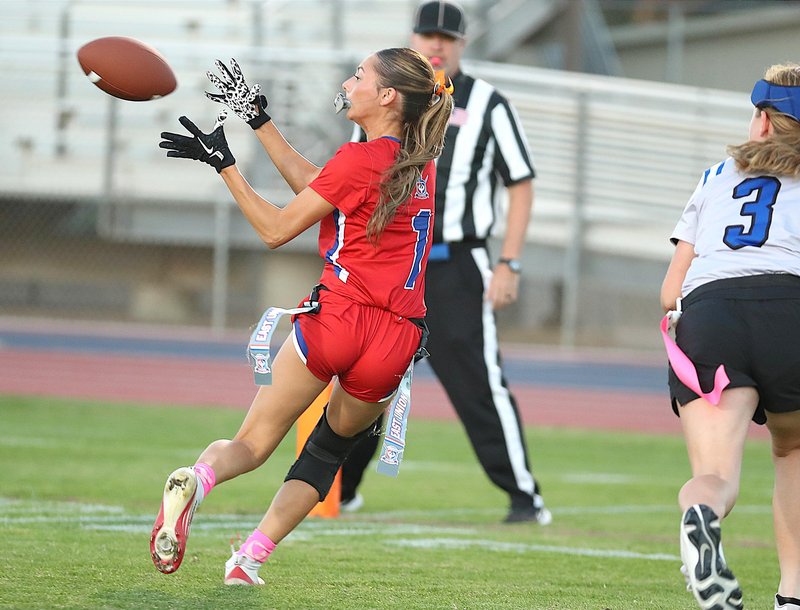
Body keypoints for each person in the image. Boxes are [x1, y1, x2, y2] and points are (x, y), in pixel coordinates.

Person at [149, 48, 453, 585]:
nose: (348, 81)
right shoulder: (416, 160)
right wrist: (258, 119)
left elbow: (276, 230)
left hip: (338, 319)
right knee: (327, 452)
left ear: (386, 96)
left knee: (251, 444)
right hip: (394, 340)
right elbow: (326, 189)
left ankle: (199, 477)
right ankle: (248, 560)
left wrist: (226, 167)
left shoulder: (361, 159)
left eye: (359, 75)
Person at [340, 0, 550, 525]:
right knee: (370, 377)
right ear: (413, 38)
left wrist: (510, 263)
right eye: (428, 35)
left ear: (462, 44)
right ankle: (340, 488)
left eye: (447, 37)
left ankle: (525, 497)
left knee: (477, 382)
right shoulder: (387, 105)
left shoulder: (488, 105)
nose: (437, 45)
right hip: (392, 265)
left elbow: (520, 181)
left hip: (457, 264)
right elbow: (355, 179)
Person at [660, 63, 800, 610]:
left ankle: (703, 517)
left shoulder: (717, 175)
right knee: (791, 450)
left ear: (762, 121)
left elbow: (671, 288)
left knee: (716, 474)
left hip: (710, 312)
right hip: (790, 307)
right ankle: (792, 594)